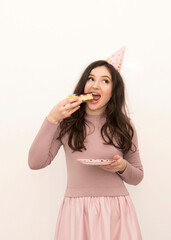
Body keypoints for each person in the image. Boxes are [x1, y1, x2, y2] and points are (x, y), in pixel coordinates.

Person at [28, 47, 144, 240]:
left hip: (116, 211)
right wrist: (52, 118)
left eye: (105, 81)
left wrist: (122, 166)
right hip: (76, 211)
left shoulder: (124, 125)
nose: (95, 86)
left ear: (113, 91)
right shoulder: (66, 122)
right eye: (91, 79)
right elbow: (35, 162)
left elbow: (137, 177)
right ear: (84, 84)